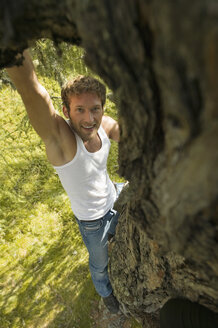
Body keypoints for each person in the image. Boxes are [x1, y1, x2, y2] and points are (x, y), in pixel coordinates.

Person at [6, 50, 121, 313]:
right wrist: (12, 46)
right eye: (79, 110)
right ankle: (105, 293)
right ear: (66, 111)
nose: (89, 118)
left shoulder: (103, 124)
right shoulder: (63, 142)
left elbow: (128, 132)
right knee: (99, 264)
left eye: (95, 109)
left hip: (114, 194)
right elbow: (31, 90)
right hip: (94, 223)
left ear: (102, 108)